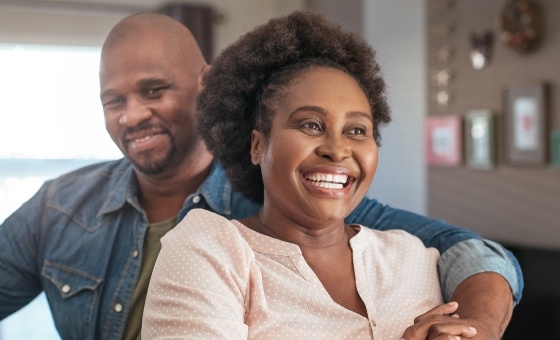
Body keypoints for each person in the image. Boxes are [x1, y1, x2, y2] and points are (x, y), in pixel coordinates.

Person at [0, 12, 519, 340]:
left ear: (206, 86)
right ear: (257, 142)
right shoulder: (59, 208)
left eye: (153, 90)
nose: (132, 115)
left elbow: (471, 252)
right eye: (114, 100)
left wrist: (470, 328)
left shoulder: (344, 216)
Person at [141, 10, 479, 339]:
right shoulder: (210, 251)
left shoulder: (412, 255)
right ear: (257, 146)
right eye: (311, 125)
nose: (338, 148)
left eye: (357, 130)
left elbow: (484, 259)